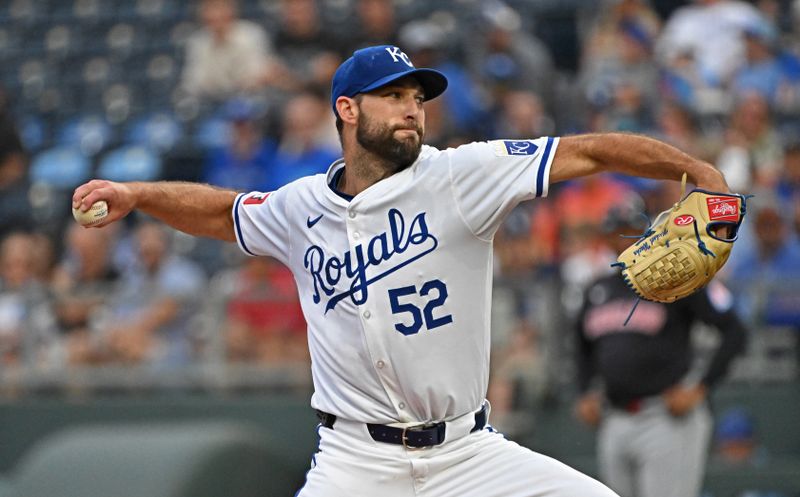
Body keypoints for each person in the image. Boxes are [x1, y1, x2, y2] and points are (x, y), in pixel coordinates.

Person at [73, 45, 730, 497]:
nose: (412, 107)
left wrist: (693, 169)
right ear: (348, 110)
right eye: (392, 96)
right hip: (356, 460)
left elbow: (585, 153)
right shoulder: (303, 206)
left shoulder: (460, 175)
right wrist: (138, 195)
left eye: (417, 95)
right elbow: (223, 213)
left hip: (469, 454)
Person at [573, 201, 748, 497]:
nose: (623, 239)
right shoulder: (597, 289)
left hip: (665, 418)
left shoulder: (679, 275)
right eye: (617, 231)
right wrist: (584, 391)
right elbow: (580, 343)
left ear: (649, 234)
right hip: (614, 417)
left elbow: (734, 331)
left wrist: (699, 388)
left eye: (631, 231)